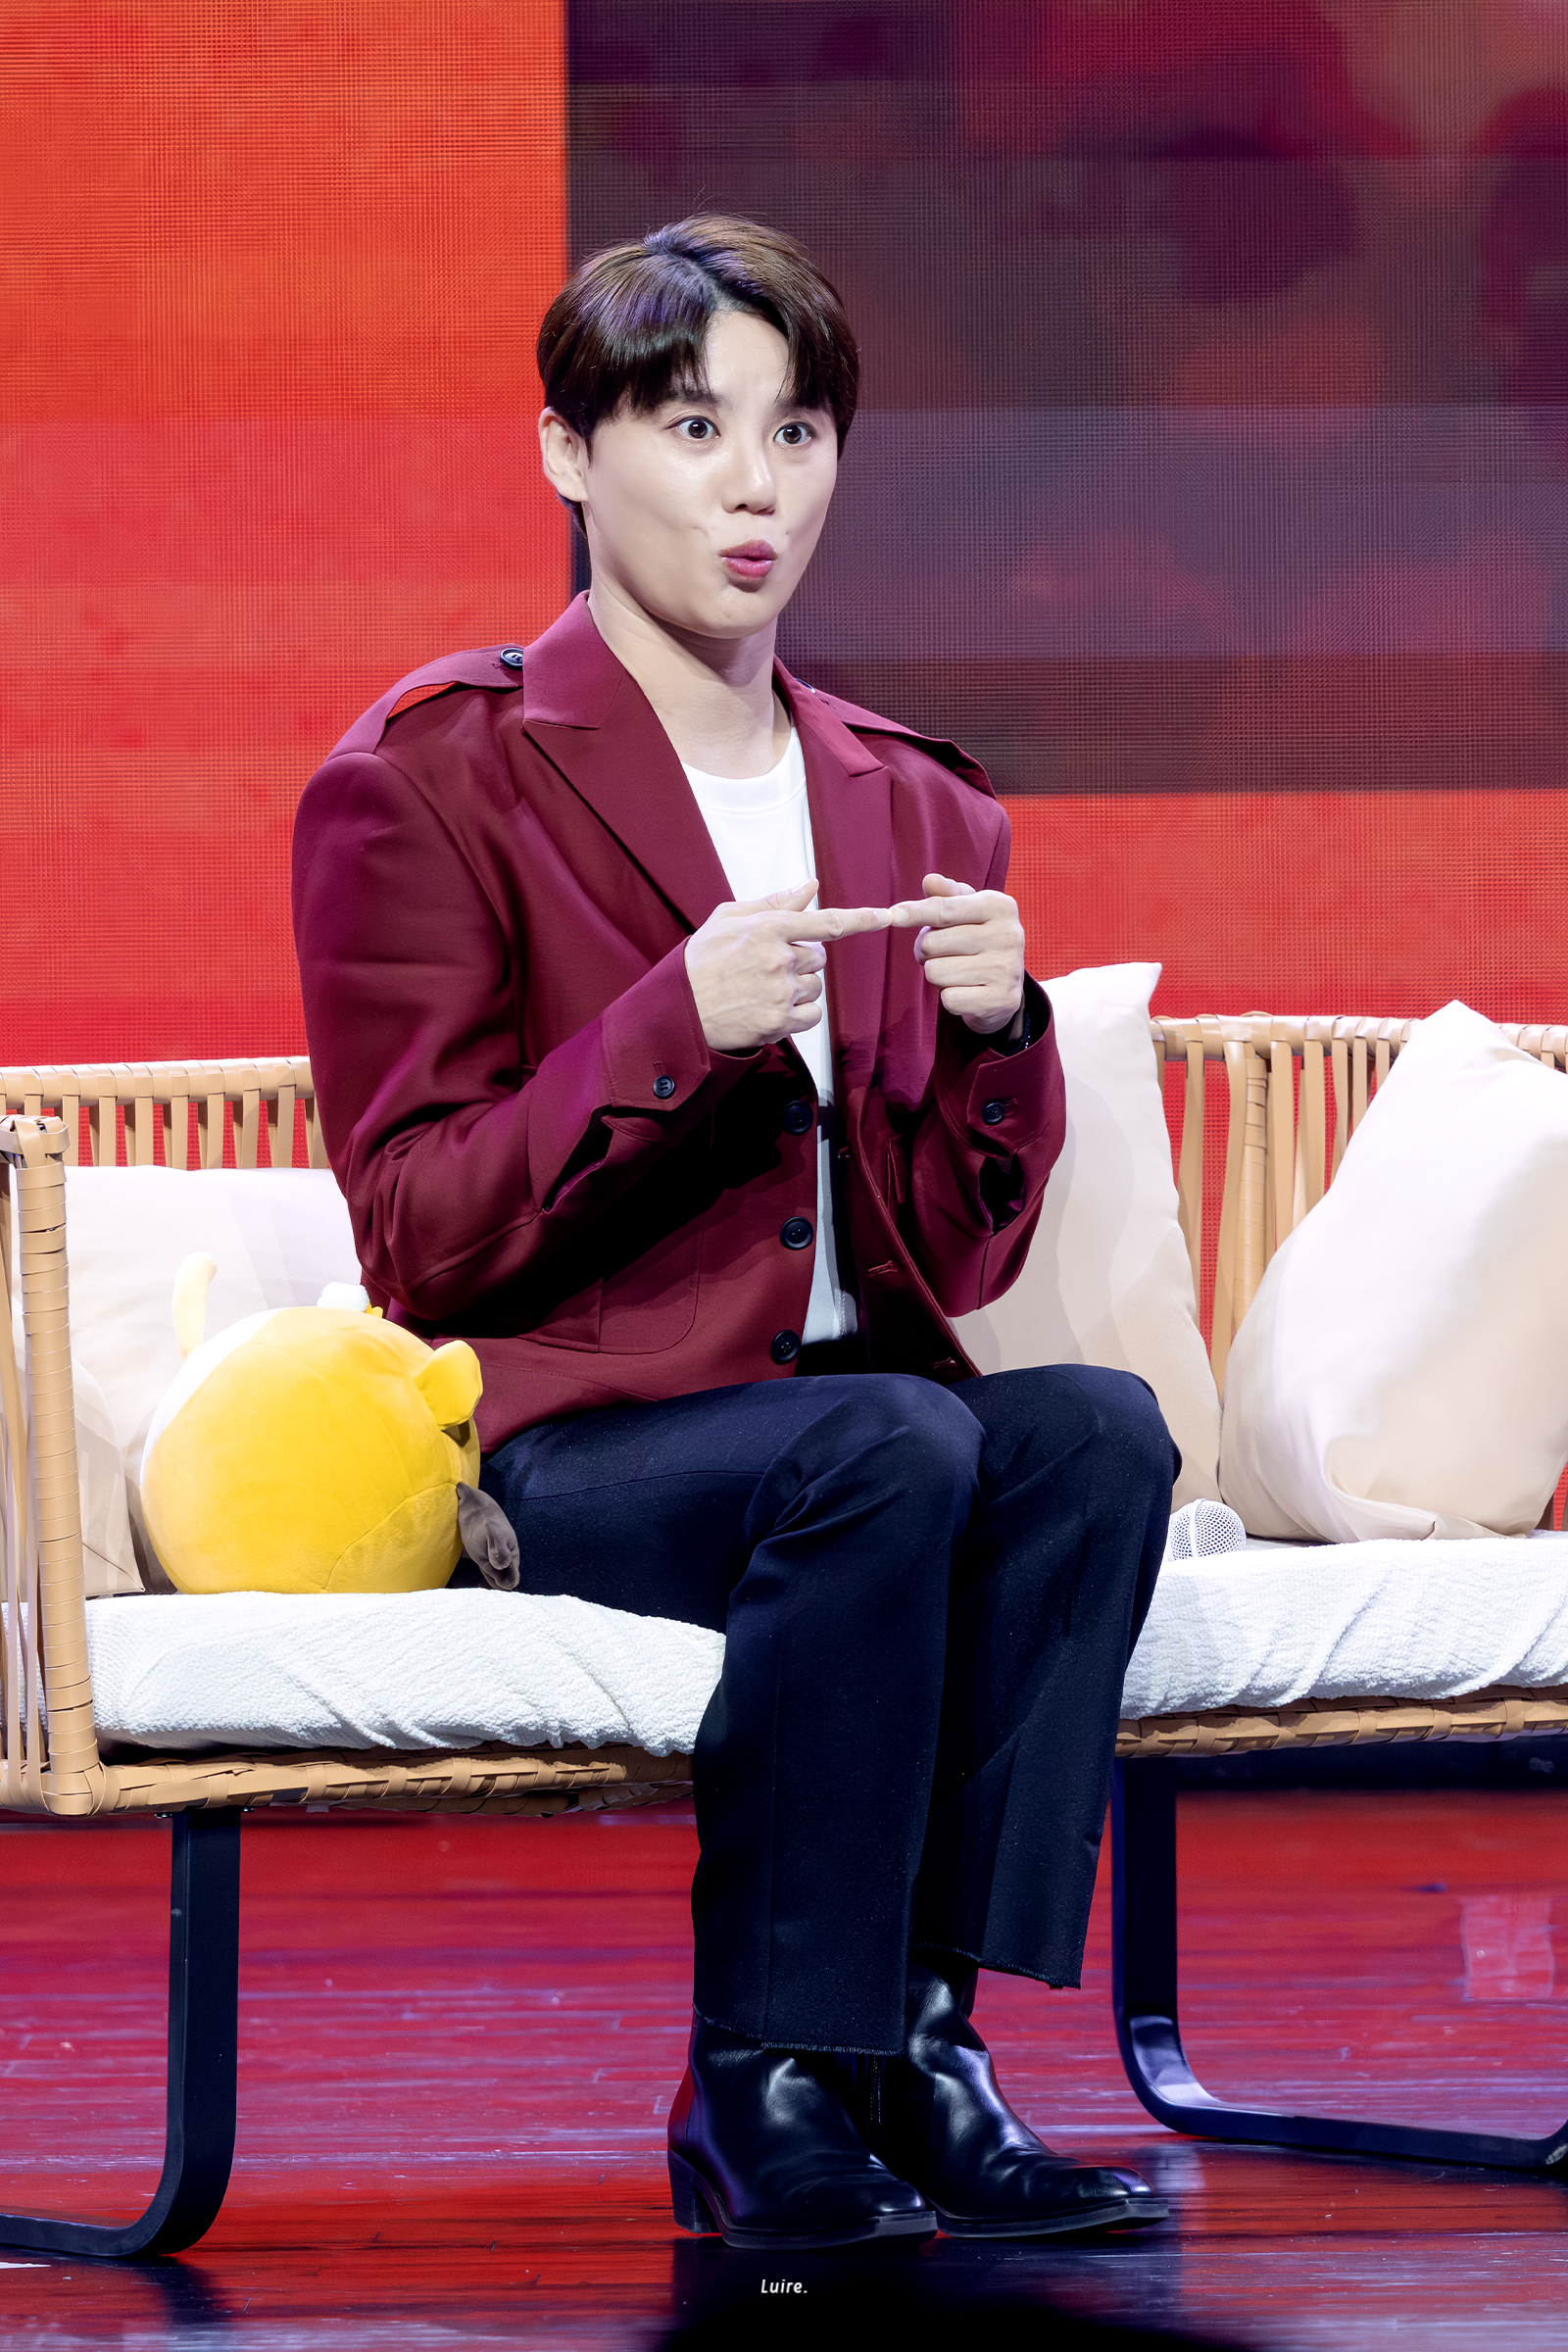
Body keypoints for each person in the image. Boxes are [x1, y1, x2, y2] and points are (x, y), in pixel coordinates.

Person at [292, 216, 1176, 2253]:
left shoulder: (916, 803)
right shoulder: (432, 780)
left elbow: (953, 1263)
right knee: (895, 1441)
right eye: (691, 428)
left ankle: (921, 2046)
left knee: (1090, 1435)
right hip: (579, 1445)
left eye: (794, 431)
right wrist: (667, 1029)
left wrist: (1003, 1040)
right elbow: (419, 1236)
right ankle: (759, 2075)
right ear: (569, 453)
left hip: (859, 1429)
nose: (752, 485)